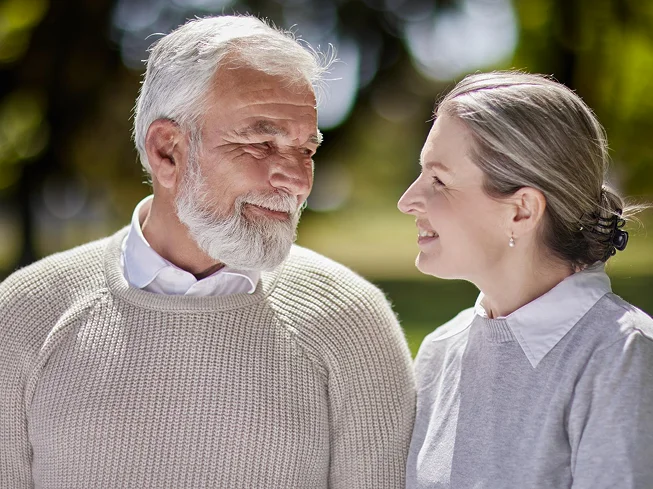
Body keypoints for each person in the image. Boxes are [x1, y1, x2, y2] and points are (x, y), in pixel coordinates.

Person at [0, 15, 415, 488]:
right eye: (261, 143)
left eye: (306, 151)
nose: (298, 181)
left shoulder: (348, 321)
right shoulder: (27, 314)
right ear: (167, 153)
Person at [398, 71, 653, 489]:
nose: (407, 200)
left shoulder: (623, 358)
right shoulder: (439, 352)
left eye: (439, 180)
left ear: (521, 211)